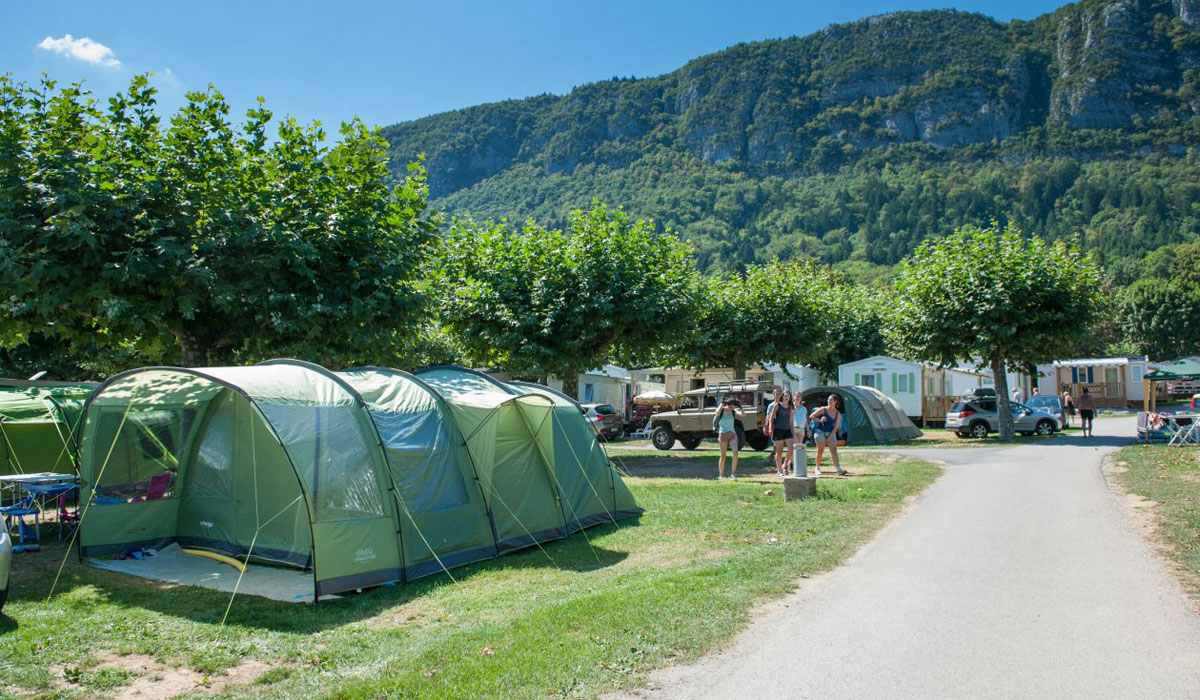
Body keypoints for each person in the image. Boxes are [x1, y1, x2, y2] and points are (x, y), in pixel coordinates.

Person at [810, 393, 847, 476]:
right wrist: (820, 420)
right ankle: (817, 468)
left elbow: (836, 427)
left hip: (831, 433)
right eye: (828, 400)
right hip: (820, 432)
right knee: (820, 450)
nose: (828, 401)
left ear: (835, 402)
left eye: (831, 400)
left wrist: (829, 437)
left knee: (834, 450)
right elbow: (812, 416)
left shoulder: (838, 414)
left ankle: (838, 469)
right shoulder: (823, 409)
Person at [765, 389, 793, 477]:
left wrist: (794, 432)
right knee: (779, 451)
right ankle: (779, 471)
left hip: (787, 430)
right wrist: (770, 428)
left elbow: (791, 420)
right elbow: (771, 417)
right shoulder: (777, 405)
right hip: (778, 429)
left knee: (791, 449)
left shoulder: (791, 406)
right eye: (785, 396)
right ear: (782, 397)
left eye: (788, 396)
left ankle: (784, 465)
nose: (786, 397)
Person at [714, 397, 740, 480]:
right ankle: (721, 476)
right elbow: (716, 412)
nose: (731, 409)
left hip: (732, 434)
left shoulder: (733, 411)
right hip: (723, 434)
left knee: (735, 454)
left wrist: (740, 407)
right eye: (730, 406)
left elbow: (744, 414)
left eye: (733, 407)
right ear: (727, 405)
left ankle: (733, 474)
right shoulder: (722, 410)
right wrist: (722, 403)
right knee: (723, 455)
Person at [788, 390, 810, 477]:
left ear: (801, 398)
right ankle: (791, 462)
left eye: (799, 396)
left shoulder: (803, 408)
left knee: (799, 446)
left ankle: (794, 462)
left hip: (801, 428)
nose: (797, 398)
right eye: (796, 396)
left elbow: (806, 420)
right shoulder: (790, 407)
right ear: (794, 397)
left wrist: (808, 429)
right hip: (793, 428)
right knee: (795, 445)